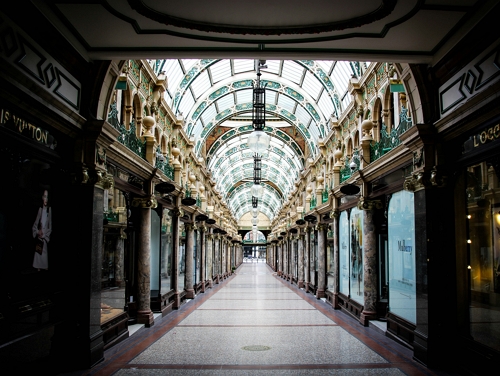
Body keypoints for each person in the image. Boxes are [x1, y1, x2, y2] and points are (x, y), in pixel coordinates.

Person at [32, 190, 52, 271]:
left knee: (44, 253)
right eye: (44, 196)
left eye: (47, 197)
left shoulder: (49, 210)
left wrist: (45, 235)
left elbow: (50, 226)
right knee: (38, 252)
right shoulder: (40, 210)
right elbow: (35, 223)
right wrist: (37, 232)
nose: (46, 199)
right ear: (42, 198)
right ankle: (38, 267)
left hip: (44, 237)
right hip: (39, 237)